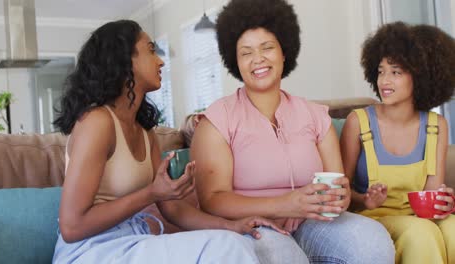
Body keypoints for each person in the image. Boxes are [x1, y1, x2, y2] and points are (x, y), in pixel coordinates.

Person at [52, 19, 289, 264]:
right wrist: (151, 193)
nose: (161, 60)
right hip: (92, 251)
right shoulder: (97, 122)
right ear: (123, 61)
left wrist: (232, 225)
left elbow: (172, 209)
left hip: (135, 240)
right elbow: (72, 227)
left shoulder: (145, 132)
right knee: (225, 247)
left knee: (233, 240)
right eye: (151, 50)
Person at [190, 0, 395, 263]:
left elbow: (338, 187)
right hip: (252, 226)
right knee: (285, 255)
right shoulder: (217, 119)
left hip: (312, 222)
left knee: (372, 243)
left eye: (267, 48)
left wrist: (339, 199)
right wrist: (287, 204)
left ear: (284, 52)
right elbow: (212, 200)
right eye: (246, 52)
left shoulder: (315, 115)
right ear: (235, 61)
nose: (258, 59)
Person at [340, 21, 455, 264]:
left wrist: (443, 201)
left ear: (421, 76)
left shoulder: (436, 125)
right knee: (421, 234)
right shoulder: (358, 123)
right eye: (381, 71)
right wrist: (365, 199)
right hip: (373, 219)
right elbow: (339, 190)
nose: (384, 81)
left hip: (418, 217)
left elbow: (431, 193)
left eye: (396, 72)